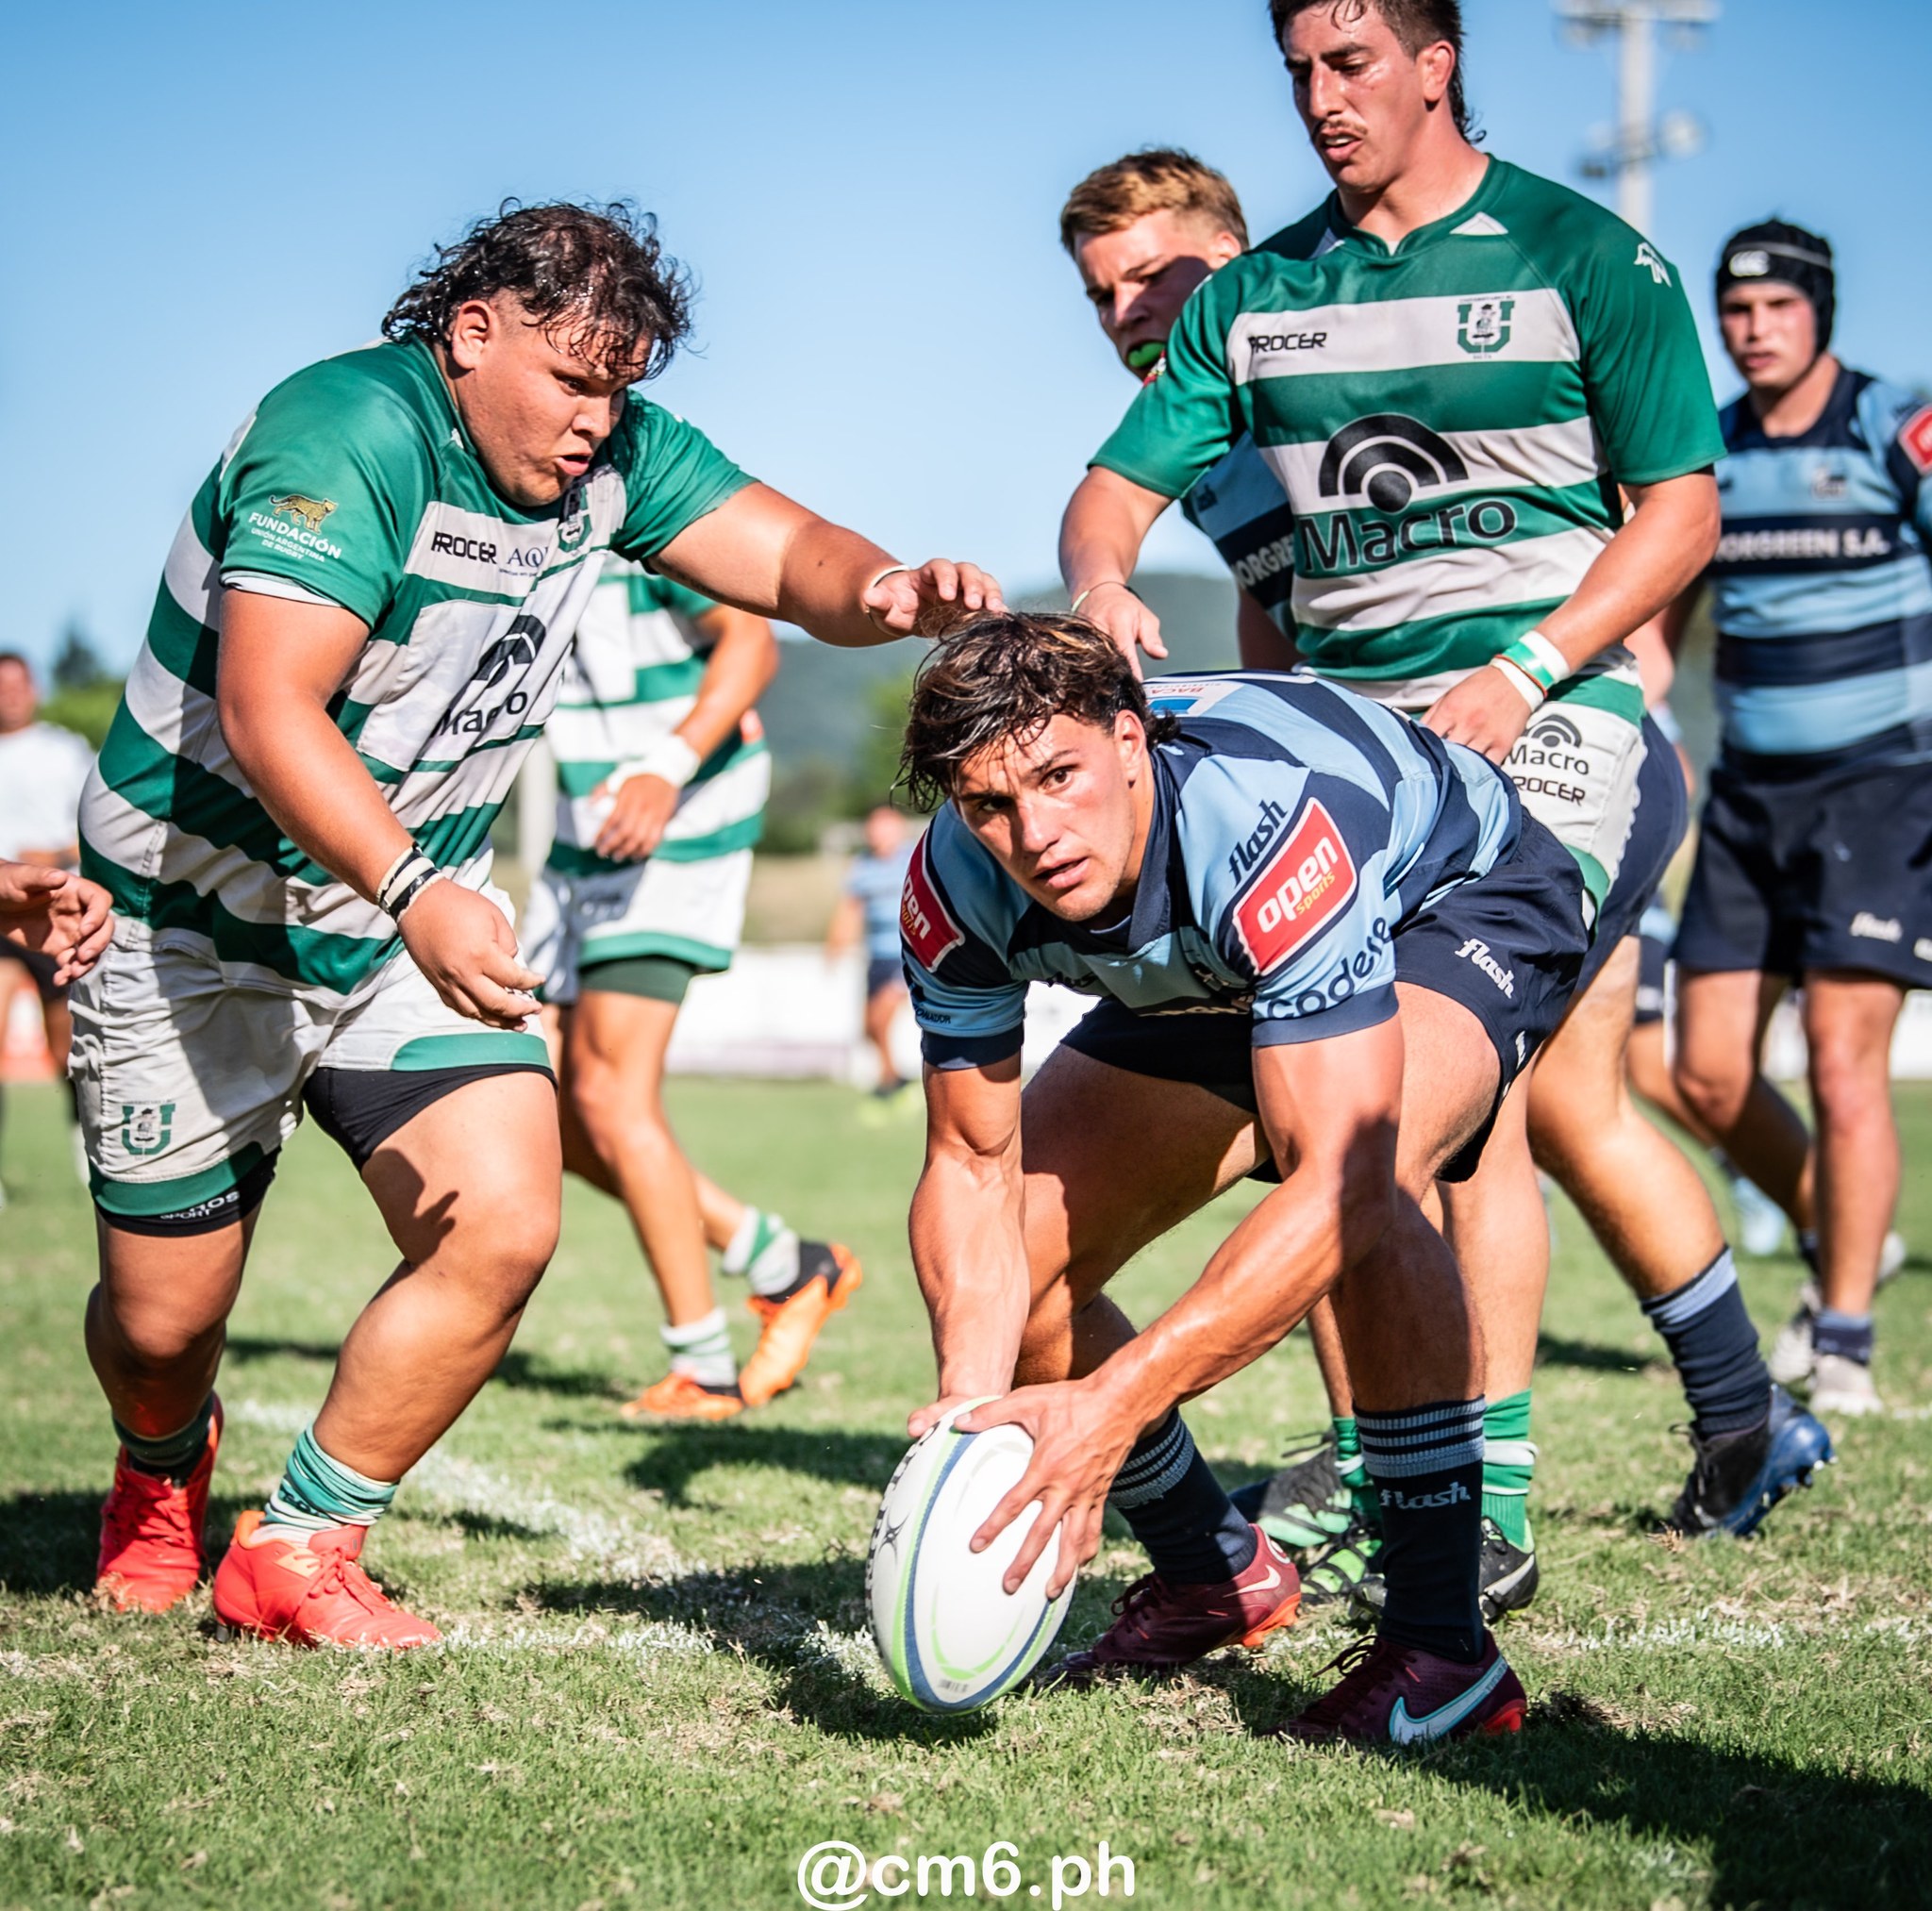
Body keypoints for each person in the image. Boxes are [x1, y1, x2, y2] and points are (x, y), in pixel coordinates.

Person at [72, 199, 999, 1648]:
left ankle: (300, 1546)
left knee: (504, 1221)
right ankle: (158, 1466)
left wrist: (887, 591)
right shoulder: (346, 430)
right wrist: (411, 887)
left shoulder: (616, 457)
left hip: (404, 919)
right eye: (572, 380)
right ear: (471, 330)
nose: (595, 421)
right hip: (189, 922)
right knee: (161, 1326)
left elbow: (791, 557)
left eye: (618, 389)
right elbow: (267, 706)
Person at [1058, 0, 1830, 1574]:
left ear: (1435, 63)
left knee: (1423, 1115)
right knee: (1518, 1112)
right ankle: (1707, 1416)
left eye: (1348, 63)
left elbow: (1674, 514)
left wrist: (1541, 664)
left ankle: (1464, 1495)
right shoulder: (1255, 322)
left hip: (1551, 737)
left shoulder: (1582, 255)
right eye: (1296, 71)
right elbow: (1173, 547)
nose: (1318, 96)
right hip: (1380, 764)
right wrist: (1104, 589)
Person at [898, 613, 1588, 1741]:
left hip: (1448, 897)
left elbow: (1341, 1187)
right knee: (1020, 1262)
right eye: (989, 805)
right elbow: (971, 1169)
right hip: (1219, 960)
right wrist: (970, 1424)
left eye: (1059, 777)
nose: (1034, 833)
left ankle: (1443, 1650)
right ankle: (1211, 1572)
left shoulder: (1259, 819)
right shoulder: (953, 881)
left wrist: (1112, 1407)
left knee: (1370, 1186)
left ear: (1129, 740)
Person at [1060, 151, 1369, 1582]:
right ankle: (1341, 1485)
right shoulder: (1193, 439)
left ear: (1236, 265)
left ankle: (1438, 1487)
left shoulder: (1317, 366)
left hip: (1472, 778)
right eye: (1100, 293)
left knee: (1418, 1134)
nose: (1127, 310)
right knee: (1363, 1138)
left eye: (1153, 277)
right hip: (1346, 787)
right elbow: (1270, 605)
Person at [1670, 221, 1932, 1417]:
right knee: (1704, 1073)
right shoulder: (1708, 449)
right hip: (1743, 795)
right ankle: (1843, 1236)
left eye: (1777, 306)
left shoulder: (1892, 423)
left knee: (1838, 1058)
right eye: (1735, 310)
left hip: (1881, 786)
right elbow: (1662, 609)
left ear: (1818, 311)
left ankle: (1842, 1340)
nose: (1753, 329)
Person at [526, 562, 860, 1421]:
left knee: (610, 1094)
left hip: (676, 824)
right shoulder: (500, 535)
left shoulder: (631, 527)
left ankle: (703, 1368)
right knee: (543, 1104)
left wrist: (668, 766)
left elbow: (750, 641)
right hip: (580, 831)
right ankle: (785, 1263)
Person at [0, 653, 97, 1193]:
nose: (9, 695)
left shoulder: (64, 751)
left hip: (52, 919)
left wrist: (55, 854)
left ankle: (86, 1145)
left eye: (17, 684)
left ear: (33, 688)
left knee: (65, 1052)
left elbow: (101, 825)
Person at [824, 803, 917, 1097]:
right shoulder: (862, 866)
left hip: (907, 955)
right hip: (876, 956)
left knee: (881, 1018)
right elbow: (849, 910)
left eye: (885, 826)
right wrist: (835, 946)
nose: (878, 833)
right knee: (868, 1028)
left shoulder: (913, 859)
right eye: (874, 827)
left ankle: (893, 1083)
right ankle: (894, 1081)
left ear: (898, 829)